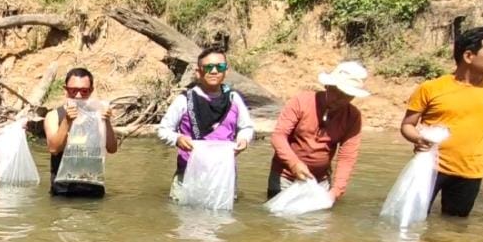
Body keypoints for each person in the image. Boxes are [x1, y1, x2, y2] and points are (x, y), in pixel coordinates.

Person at [400, 25, 483, 217]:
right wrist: (418, 139)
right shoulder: (431, 88)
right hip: (429, 167)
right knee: (413, 219)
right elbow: (407, 125)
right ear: (468, 56)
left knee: (456, 225)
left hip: (470, 171)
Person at [157, 46, 254, 200]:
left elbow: (246, 127)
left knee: (223, 214)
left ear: (226, 71)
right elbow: (163, 130)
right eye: (208, 67)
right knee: (183, 214)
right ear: (198, 72)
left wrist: (243, 139)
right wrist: (177, 139)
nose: (214, 71)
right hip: (188, 173)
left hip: (223, 174)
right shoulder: (184, 99)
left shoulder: (233, 99)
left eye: (219, 67)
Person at [268, 61, 369, 202]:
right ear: (328, 86)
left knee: (319, 216)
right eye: (337, 92)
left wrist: (337, 190)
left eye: (347, 95)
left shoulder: (352, 116)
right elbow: (278, 136)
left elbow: (347, 157)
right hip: (285, 177)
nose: (340, 99)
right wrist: (294, 163)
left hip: (320, 182)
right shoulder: (301, 101)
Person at [43, 67, 118, 197]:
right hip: (63, 192)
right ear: (65, 89)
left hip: (94, 190)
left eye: (84, 91)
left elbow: (112, 148)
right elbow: (54, 149)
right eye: (73, 90)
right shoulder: (54, 116)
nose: (78, 95)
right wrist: (67, 121)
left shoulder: (98, 115)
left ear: (91, 90)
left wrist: (106, 121)